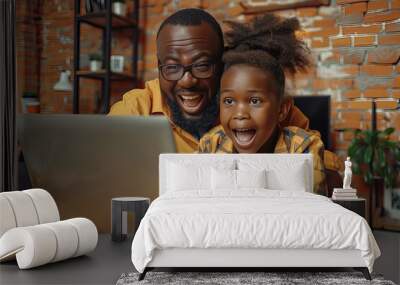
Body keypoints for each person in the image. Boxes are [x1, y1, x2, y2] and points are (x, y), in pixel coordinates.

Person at [108, 8, 310, 153]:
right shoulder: (135, 110)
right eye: (172, 67)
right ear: (160, 70)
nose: (187, 81)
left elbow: (323, 167)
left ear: (222, 65)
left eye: (202, 66)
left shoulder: (269, 107)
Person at [198, 14, 329, 195]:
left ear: (282, 109)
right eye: (229, 101)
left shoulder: (303, 148)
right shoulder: (211, 144)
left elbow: (313, 209)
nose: (240, 113)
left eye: (254, 101)